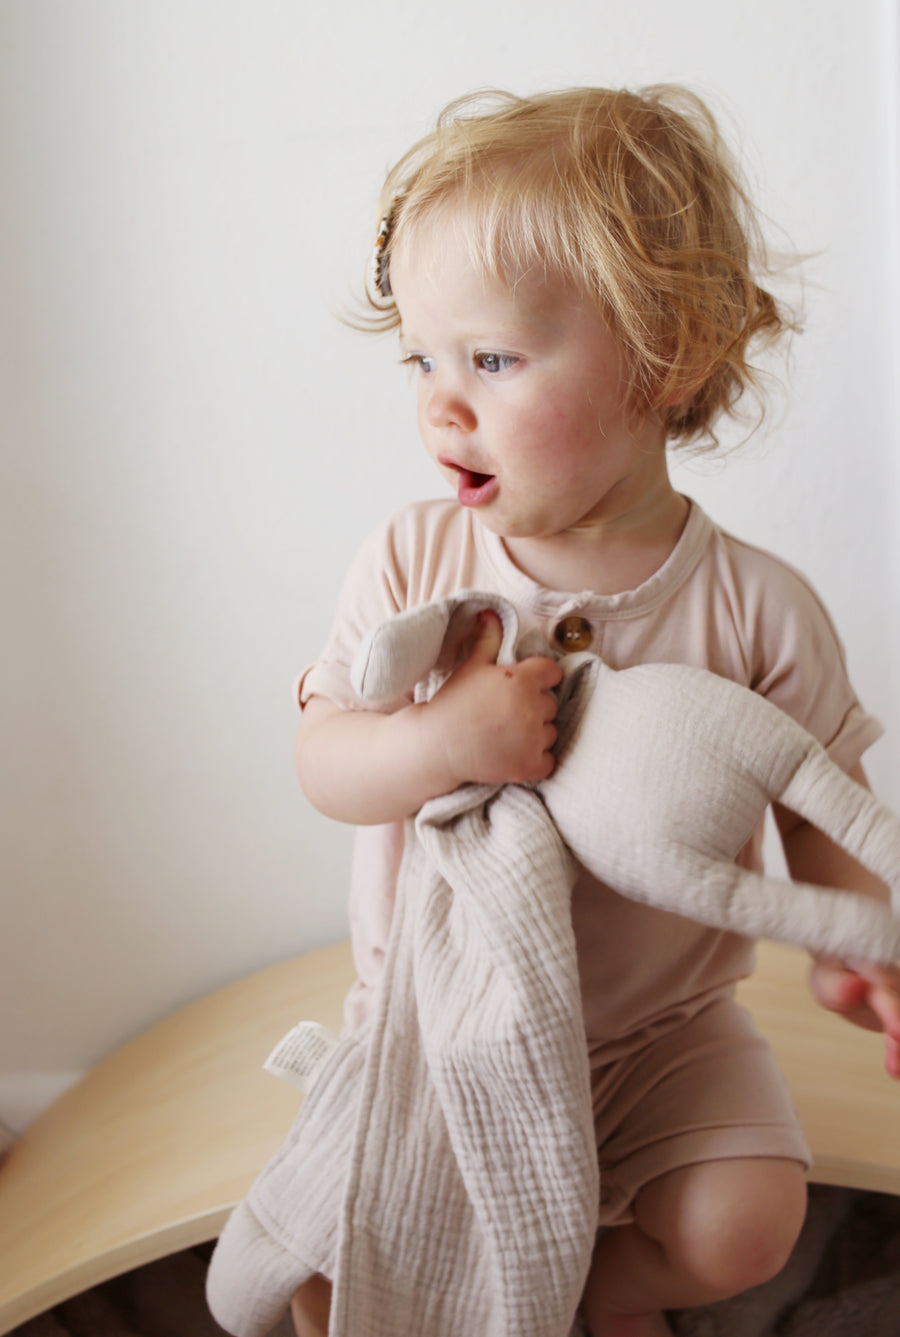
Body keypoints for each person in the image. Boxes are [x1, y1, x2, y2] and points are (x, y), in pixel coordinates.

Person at [289, 86, 900, 1337]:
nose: (440, 403)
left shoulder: (757, 607)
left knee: (746, 1220)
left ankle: (596, 1291)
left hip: (661, 1035)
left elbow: (822, 804)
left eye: (494, 359)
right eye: (423, 358)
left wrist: (864, 944)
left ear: (661, 349)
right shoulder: (411, 566)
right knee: (328, 1258)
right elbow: (325, 762)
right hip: (435, 1025)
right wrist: (435, 742)